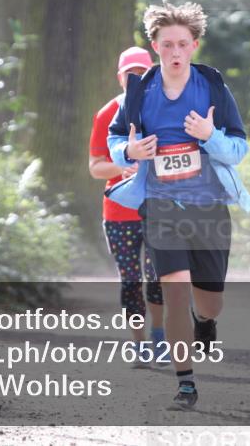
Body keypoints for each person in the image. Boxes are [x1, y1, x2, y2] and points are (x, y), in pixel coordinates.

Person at [106, 1, 250, 409]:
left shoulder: (213, 88)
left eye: (182, 44)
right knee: (175, 294)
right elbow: (115, 144)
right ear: (154, 46)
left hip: (209, 208)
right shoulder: (139, 93)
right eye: (166, 43)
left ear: (194, 46)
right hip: (161, 206)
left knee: (208, 301)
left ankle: (206, 323)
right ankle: (185, 382)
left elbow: (238, 149)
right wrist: (130, 150)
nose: (174, 51)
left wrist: (210, 135)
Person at [88, 46, 167, 368]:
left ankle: (159, 337)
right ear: (119, 77)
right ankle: (138, 346)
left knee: (158, 277)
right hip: (119, 213)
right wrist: (123, 167)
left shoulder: (166, 110)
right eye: (129, 73)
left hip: (159, 209)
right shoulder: (107, 113)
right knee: (131, 280)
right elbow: (94, 167)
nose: (135, 78)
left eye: (141, 73)